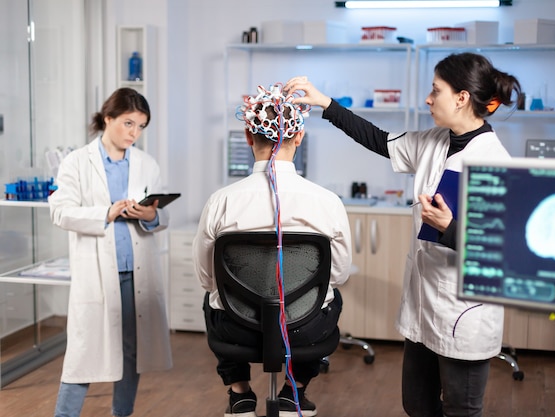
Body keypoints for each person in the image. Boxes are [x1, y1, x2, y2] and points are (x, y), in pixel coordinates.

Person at [285, 52, 522, 417]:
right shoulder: (433, 141)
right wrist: (325, 104)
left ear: (461, 98)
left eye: (435, 90)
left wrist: (450, 229)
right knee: (417, 405)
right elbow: (378, 140)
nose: (428, 99)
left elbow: (504, 252)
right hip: (424, 305)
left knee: (461, 409)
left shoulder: (495, 162)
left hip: (465, 312)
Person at [192, 84, 352, 417]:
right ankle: (296, 390)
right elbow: (338, 274)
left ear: (249, 137)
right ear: (299, 137)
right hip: (304, 330)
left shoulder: (221, 201)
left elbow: (207, 279)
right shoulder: (327, 202)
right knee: (332, 297)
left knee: (211, 299)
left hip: (237, 329)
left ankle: (239, 392)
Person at [49, 87, 173, 417]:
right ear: (108, 119)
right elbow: (60, 211)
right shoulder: (77, 162)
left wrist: (151, 215)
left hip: (136, 272)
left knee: (132, 352)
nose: (135, 133)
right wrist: (105, 212)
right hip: (97, 273)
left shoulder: (146, 164)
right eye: (128, 123)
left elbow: (161, 216)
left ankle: (122, 413)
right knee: (82, 353)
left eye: (141, 127)